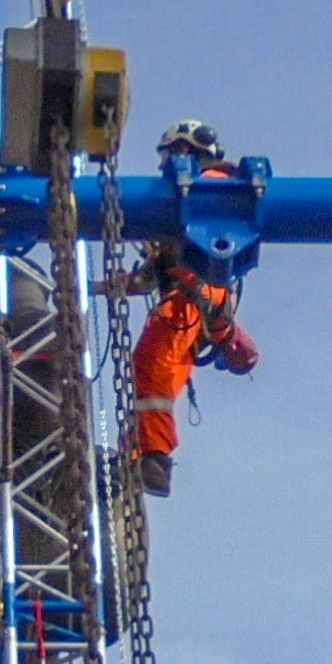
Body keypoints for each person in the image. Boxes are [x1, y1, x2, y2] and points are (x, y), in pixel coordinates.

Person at [129, 122, 261, 498]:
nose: (166, 166)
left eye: (171, 155)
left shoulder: (211, 186)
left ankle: (153, 457)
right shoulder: (199, 197)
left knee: (152, 366)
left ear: (187, 152)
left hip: (193, 298)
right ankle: (140, 452)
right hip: (192, 300)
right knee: (156, 378)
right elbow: (152, 273)